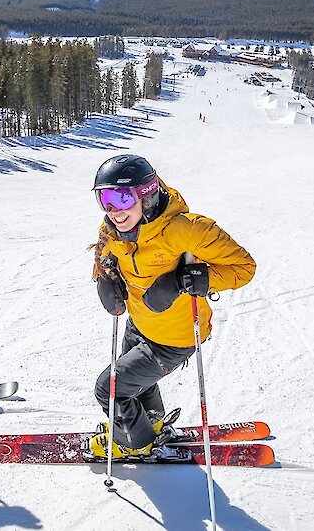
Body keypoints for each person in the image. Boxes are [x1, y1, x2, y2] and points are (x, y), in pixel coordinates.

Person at [88, 154, 255, 459]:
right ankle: (151, 423)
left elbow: (244, 267)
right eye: (104, 198)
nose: (113, 210)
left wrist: (188, 279)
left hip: (174, 339)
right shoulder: (112, 229)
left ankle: (134, 444)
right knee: (132, 383)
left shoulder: (187, 229)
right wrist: (103, 278)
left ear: (146, 194)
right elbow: (103, 256)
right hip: (139, 325)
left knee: (110, 389)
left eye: (122, 198)